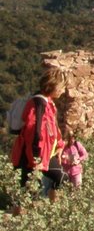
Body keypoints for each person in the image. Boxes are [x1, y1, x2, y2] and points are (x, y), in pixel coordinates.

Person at [11, 69, 65, 202]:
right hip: (32, 155)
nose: (63, 91)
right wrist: (35, 158)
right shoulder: (38, 105)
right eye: (62, 87)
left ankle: (55, 210)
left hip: (45, 154)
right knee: (28, 191)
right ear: (53, 86)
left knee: (60, 177)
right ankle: (20, 219)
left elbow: (53, 129)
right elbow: (34, 133)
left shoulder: (49, 103)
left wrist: (59, 145)